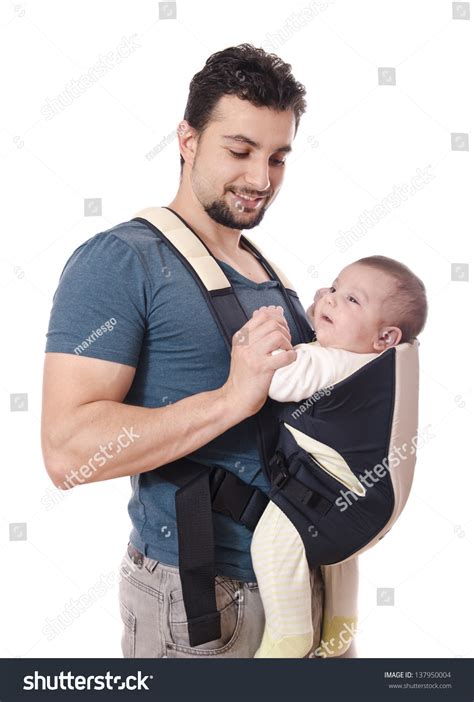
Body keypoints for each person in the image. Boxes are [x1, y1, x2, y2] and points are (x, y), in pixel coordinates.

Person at [41, 44, 352, 658]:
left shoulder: (268, 270)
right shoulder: (122, 261)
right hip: (203, 601)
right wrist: (232, 397)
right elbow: (66, 449)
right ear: (187, 139)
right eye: (239, 151)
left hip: (301, 588)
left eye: (278, 158)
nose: (260, 179)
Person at [250, 256, 428, 658]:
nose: (329, 299)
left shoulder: (328, 360)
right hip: (368, 513)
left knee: (271, 545)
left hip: (329, 503)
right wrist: (329, 319)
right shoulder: (381, 363)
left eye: (351, 300)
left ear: (386, 337)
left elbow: (276, 380)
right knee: (336, 558)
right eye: (332, 288)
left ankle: (289, 637)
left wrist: (264, 340)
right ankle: (340, 625)